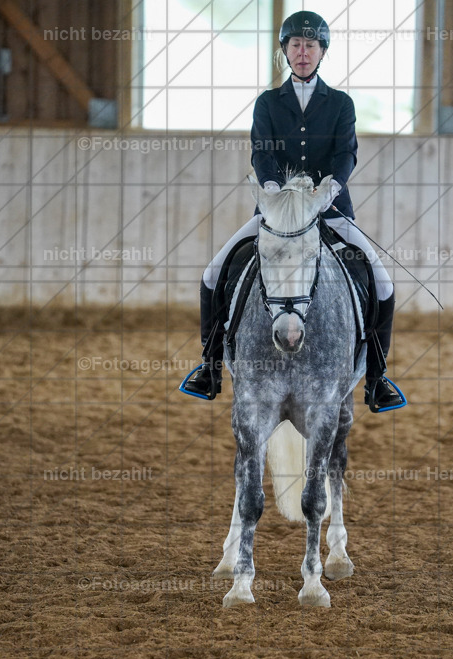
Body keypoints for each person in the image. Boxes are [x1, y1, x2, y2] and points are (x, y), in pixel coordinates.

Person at [182, 10, 404, 413]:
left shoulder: (340, 103)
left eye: (311, 45)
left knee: (383, 284)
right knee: (213, 274)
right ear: (286, 51)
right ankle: (210, 366)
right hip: (277, 215)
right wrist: (272, 193)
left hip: (330, 210)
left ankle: (376, 377)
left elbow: (345, 154)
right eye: (296, 45)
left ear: (322, 52)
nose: (303, 53)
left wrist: (326, 193)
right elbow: (261, 151)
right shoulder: (268, 102)